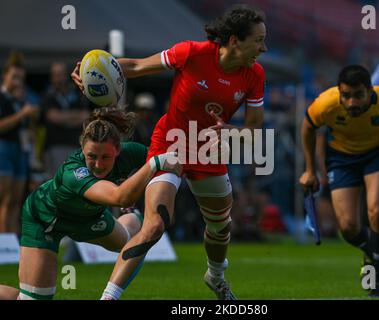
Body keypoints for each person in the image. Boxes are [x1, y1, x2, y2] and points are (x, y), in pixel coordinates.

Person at [72, 4, 267, 300]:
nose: (263, 48)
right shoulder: (191, 52)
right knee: (153, 226)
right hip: (170, 144)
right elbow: (136, 66)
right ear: (234, 41)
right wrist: (92, 70)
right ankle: (108, 298)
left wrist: (231, 131)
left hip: (210, 153)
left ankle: (215, 276)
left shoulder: (255, 75)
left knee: (220, 227)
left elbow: (253, 129)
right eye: (258, 40)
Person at [0, 106, 181, 300]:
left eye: (106, 157)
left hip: (89, 217)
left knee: (129, 241)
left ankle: (133, 217)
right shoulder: (73, 172)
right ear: (82, 148)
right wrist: (154, 164)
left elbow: (171, 163)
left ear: (118, 149)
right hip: (45, 220)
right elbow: (121, 197)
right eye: (91, 157)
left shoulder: (130, 153)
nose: (98, 165)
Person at [299, 65, 379, 297]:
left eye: (358, 95)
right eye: (346, 96)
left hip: (377, 154)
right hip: (340, 159)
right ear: (339, 92)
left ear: (370, 91)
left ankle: (377, 284)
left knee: (377, 212)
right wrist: (310, 170)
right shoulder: (326, 103)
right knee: (348, 227)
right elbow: (308, 127)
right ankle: (374, 250)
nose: (351, 103)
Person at [0, 51, 40, 234]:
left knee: (16, 200)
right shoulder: (2, 98)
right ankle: (3, 242)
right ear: (5, 76)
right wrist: (22, 114)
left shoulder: (21, 99)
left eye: (20, 78)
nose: (17, 82)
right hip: (4, 149)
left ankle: (12, 244)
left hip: (21, 150)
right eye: (14, 77)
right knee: (5, 199)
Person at [42, 62, 91, 176]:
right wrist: (74, 116)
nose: (59, 78)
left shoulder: (78, 93)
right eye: (56, 75)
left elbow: (85, 116)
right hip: (55, 146)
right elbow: (53, 117)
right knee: (56, 182)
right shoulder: (48, 95)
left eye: (61, 74)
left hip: (75, 145)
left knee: (74, 181)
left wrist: (63, 117)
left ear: (66, 75)